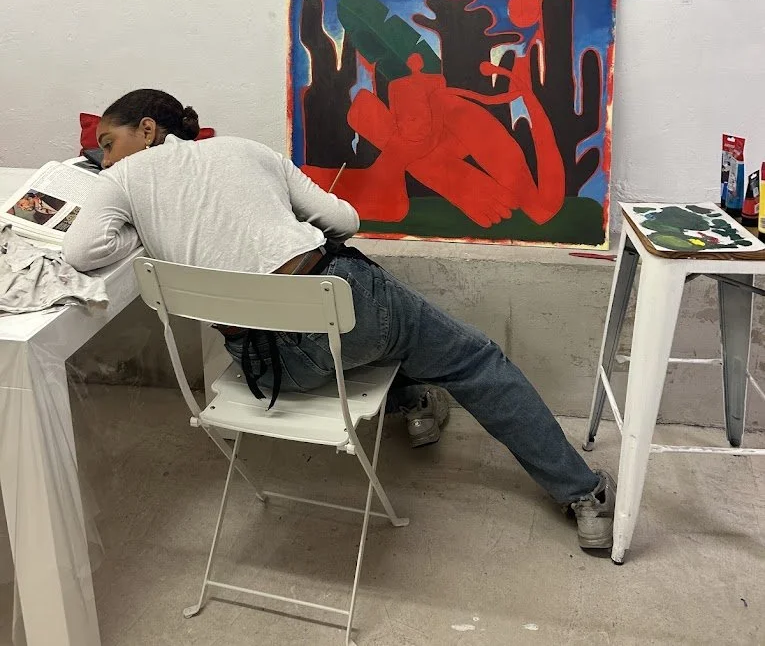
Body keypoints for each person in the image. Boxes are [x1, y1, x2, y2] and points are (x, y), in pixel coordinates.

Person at [63, 88, 616, 552]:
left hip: (268, 370)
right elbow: (346, 220)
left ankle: (415, 407)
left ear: (147, 129)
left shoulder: (121, 184)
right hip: (347, 319)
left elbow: (82, 252)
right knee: (469, 359)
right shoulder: (245, 151)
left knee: (362, 335)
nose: (105, 160)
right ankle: (582, 494)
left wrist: (140, 228)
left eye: (108, 143)